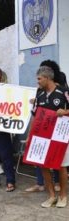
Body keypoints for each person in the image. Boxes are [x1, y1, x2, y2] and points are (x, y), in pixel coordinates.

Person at [32, 66, 69, 208]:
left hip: (60, 135)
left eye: (39, 79)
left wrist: (65, 112)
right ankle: (52, 196)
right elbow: (35, 116)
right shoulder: (39, 94)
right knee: (44, 166)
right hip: (42, 136)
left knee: (61, 166)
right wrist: (31, 136)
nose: (38, 82)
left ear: (48, 78)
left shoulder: (64, 92)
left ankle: (63, 196)